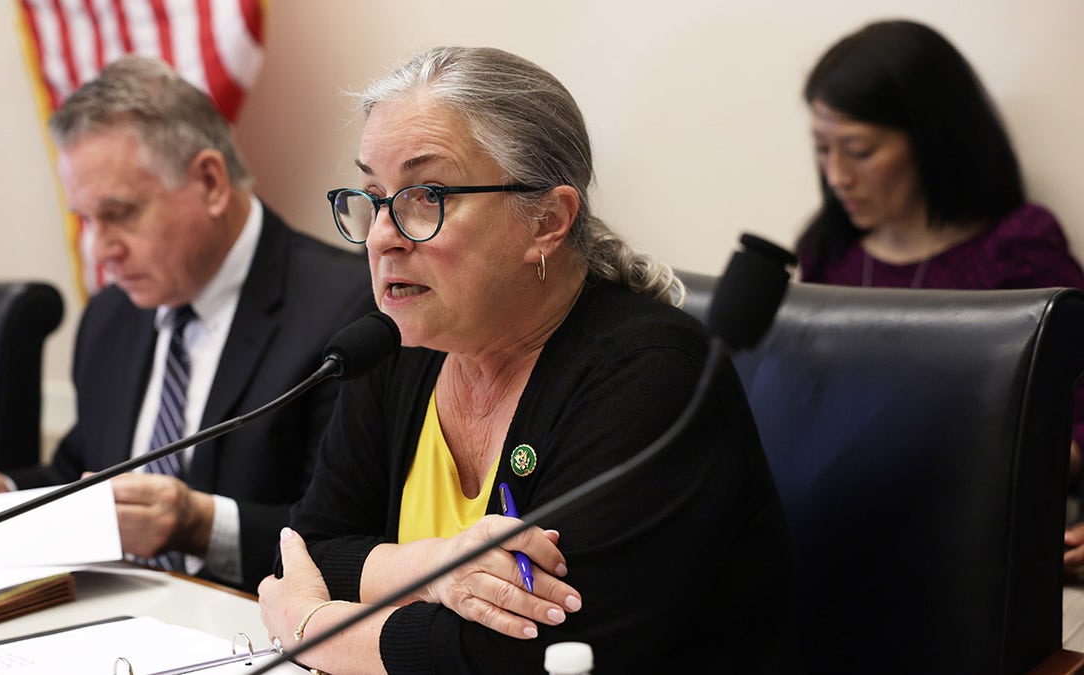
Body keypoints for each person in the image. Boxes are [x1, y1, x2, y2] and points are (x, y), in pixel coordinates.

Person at [256, 46, 798, 673]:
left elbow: (527, 654)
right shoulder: (400, 346)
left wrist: (312, 629)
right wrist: (437, 569)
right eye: (376, 197)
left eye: (425, 195)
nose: (383, 235)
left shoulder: (653, 376)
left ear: (548, 219)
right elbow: (304, 552)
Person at [0, 55, 375, 593]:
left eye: (120, 213)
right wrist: (2, 490)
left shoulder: (346, 313)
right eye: (85, 220)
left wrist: (199, 525)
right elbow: (79, 475)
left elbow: (348, 541)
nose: (100, 250)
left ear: (209, 182)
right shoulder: (112, 315)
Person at [794, 19, 1084, 575]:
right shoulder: (828, 250)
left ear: (932, 138)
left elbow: (1077, 416)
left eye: (858, 150)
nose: (837, 176)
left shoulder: (1018, 248)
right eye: (822, 150)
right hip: (846, 530)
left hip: (983, 540)